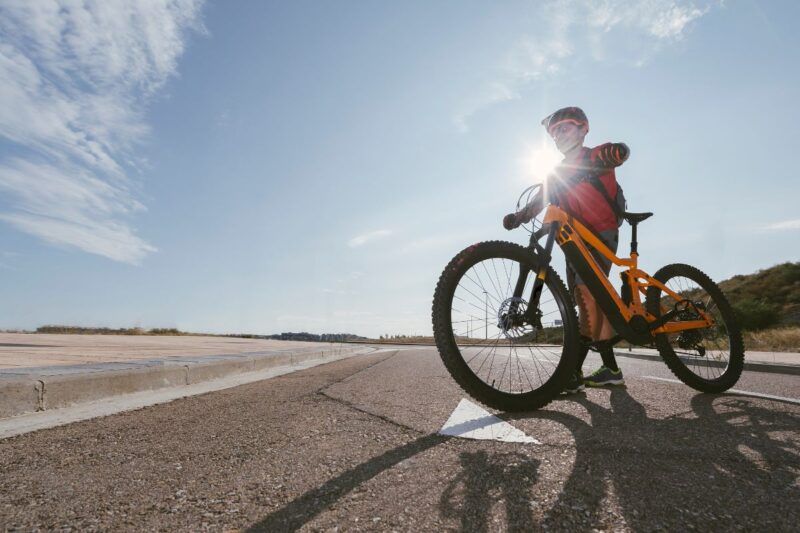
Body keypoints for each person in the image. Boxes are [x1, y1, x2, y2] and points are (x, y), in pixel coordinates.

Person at [503, 106, 628, 392]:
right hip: (575, 239)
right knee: (587, 300)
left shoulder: (591, 156)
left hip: (600, 234)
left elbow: (614, 152)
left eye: (566, 127)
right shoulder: (557, 173)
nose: (559, 134)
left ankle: (571, 374)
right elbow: (539, 200)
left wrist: (616, 153)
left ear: (584, 129)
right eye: (555, 131)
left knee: (586, 296)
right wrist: (519, 217)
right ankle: (610, 369)